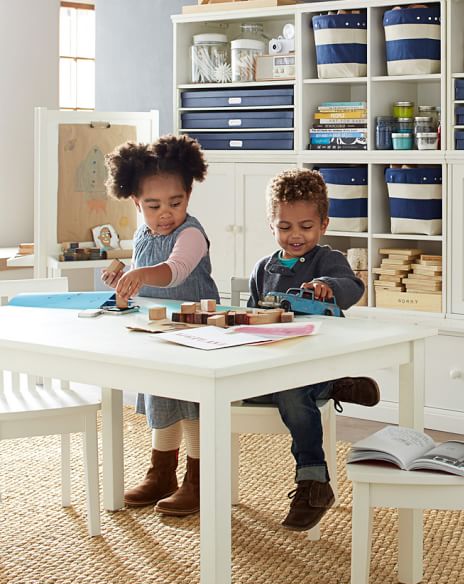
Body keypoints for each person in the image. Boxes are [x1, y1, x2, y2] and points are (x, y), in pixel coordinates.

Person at [247, 168, 380, 532]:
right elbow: (250, 314)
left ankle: (314, 483)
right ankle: (337, 387)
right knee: (241, 391)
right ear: (271, 225)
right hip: (273, 359)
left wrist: (327, 285)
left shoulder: (328, 260)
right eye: (285, 226)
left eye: (306, 226)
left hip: (312, 362)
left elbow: (353, 288)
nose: (295, 236)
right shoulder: (264, 268)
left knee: (291, 395)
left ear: (323, 224)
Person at [101, 134, 219, 517]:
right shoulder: (142, 235)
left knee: (192, 403)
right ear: (136, 202)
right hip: (157, 332)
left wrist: (141, 272)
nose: (165, 213)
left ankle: (199, 480)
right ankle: (161, 474)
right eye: (153, 205)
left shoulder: (191, 234)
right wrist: (124, 276)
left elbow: (176, 270)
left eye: (176, 202)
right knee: (161, 399)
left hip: (195, 330)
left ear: (189, 195)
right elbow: (144, 280)